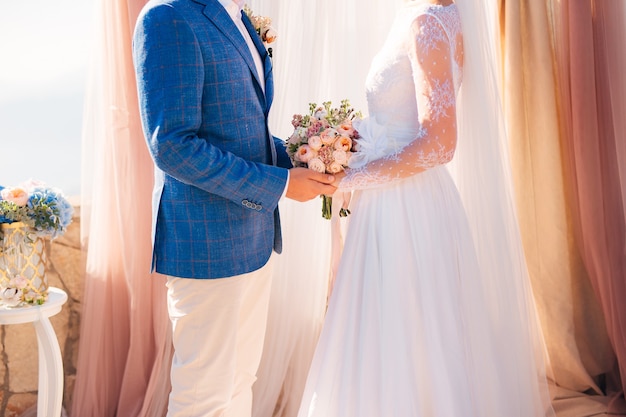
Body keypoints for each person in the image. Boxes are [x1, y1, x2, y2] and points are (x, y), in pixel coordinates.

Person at [296, 0, 556, 416]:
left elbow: (439, 143)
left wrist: (351, 177)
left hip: (400, 207)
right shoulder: (446, 15)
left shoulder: (425, 23)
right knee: (422, 331)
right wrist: (350, 143)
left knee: (401, 330)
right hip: (419, 198)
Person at [132, 0, 337, 415]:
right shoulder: (167, 16)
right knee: (202, 396)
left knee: (240, 382)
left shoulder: (238, 16)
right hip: (205, 245)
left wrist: (306, 157)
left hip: (255, 237)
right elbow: (172, 146)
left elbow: (244, 130)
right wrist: (280, 186)